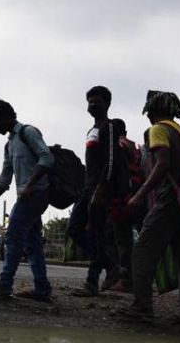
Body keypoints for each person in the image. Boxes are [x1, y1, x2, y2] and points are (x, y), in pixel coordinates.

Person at [119, 90, 180, 327]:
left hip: (169, 201)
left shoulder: (158, 129)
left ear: (153, 110)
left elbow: (162, 164)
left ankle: (142, 307)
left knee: (143, 251)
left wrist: (139, 195)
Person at [0, 100, 55, 302]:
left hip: (36, 194)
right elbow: (5, 179)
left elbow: (47, 158)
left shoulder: (28, 132)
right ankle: (42, 288)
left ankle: (4, 285)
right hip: (27, 195)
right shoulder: (10, 144)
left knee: (13, 236)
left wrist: (29, 184)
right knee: (32, 242)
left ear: (7, 116)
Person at [66, 86, 124, 296]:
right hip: (87, 188)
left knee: (97, 232)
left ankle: (92, 282)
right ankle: (110, 265)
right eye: (89, 101)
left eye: (97, 101)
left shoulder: (110, 126)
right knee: (74, 229)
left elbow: (111, 160)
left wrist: (102, 188)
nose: (92, 105)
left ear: (107, 104)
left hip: (100, 189)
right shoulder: (91, 130)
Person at [104, 118, 139, 292]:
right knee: (124, 239)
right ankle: (126, 277)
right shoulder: (133, 146)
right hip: (133, 195)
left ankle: (124, 279)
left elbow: (114, 172)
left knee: (119, 240)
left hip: (120, 198)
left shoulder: (118, 145)